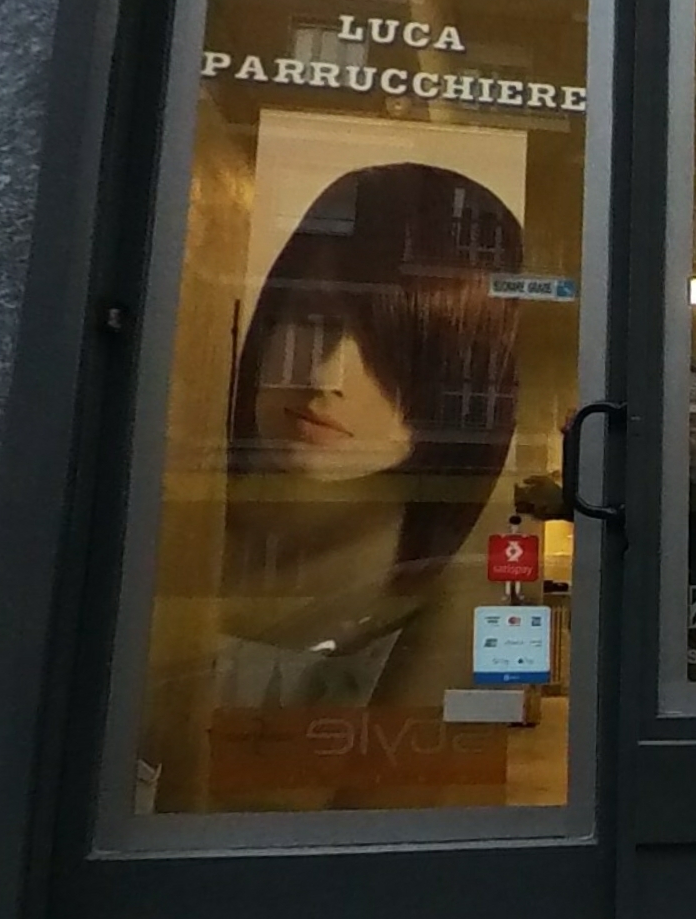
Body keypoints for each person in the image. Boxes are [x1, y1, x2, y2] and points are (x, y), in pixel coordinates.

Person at [209, 161, 523, 715]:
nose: (324, 376)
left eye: (390, 349)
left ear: (462, 378)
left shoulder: (460, 565)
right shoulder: (177, 502)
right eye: (311, 320)